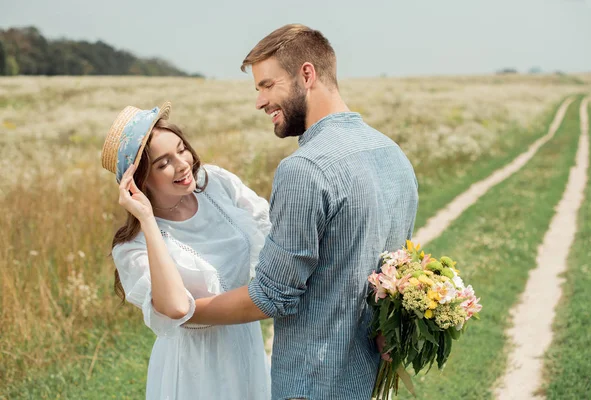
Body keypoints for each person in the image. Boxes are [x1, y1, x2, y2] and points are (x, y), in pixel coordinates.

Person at [189, 24, 419, 400]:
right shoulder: (392, 153)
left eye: (267, 85)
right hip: (373, 382)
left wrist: (185, 312)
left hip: (315, 383)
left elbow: (273, 296)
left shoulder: (305, 169)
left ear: (306, 74)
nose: (260, 102)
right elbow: (399, 271)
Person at [101, 102, 271, 399]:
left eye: (181, 149)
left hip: (247, 345)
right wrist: (148, 221)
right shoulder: (133, 248)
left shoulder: (215, 183)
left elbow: (270, 229)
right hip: (197, 369)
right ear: (139, 180)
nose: (182, 164)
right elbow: (178, 308)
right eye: (163, 163)